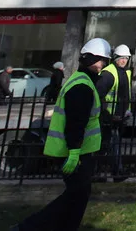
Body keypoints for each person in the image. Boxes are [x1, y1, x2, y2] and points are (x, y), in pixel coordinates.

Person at [12, 38, 110, 231]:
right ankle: (28, 227)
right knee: (75, 196)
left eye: (104, 60)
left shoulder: (81, 80)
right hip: (75, 152)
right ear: (90, 59)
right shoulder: (82, 85)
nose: (102, 64)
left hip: (78, 150)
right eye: (100, 60)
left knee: (78, 196)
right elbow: (76, 121)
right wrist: (74, 151)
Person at [95, 44, 132, 182]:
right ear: (115, 58)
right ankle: (116, 172)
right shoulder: (108, 73)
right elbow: (98, 95)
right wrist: (106, 114)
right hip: (107, 116)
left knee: (107, 145)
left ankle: (99, 172)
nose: (124, 60)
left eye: (126, 58)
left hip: (118, 116)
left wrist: (127, 110)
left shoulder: (126, 72)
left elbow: (125, 94)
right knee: (109, 144)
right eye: (121, 58)